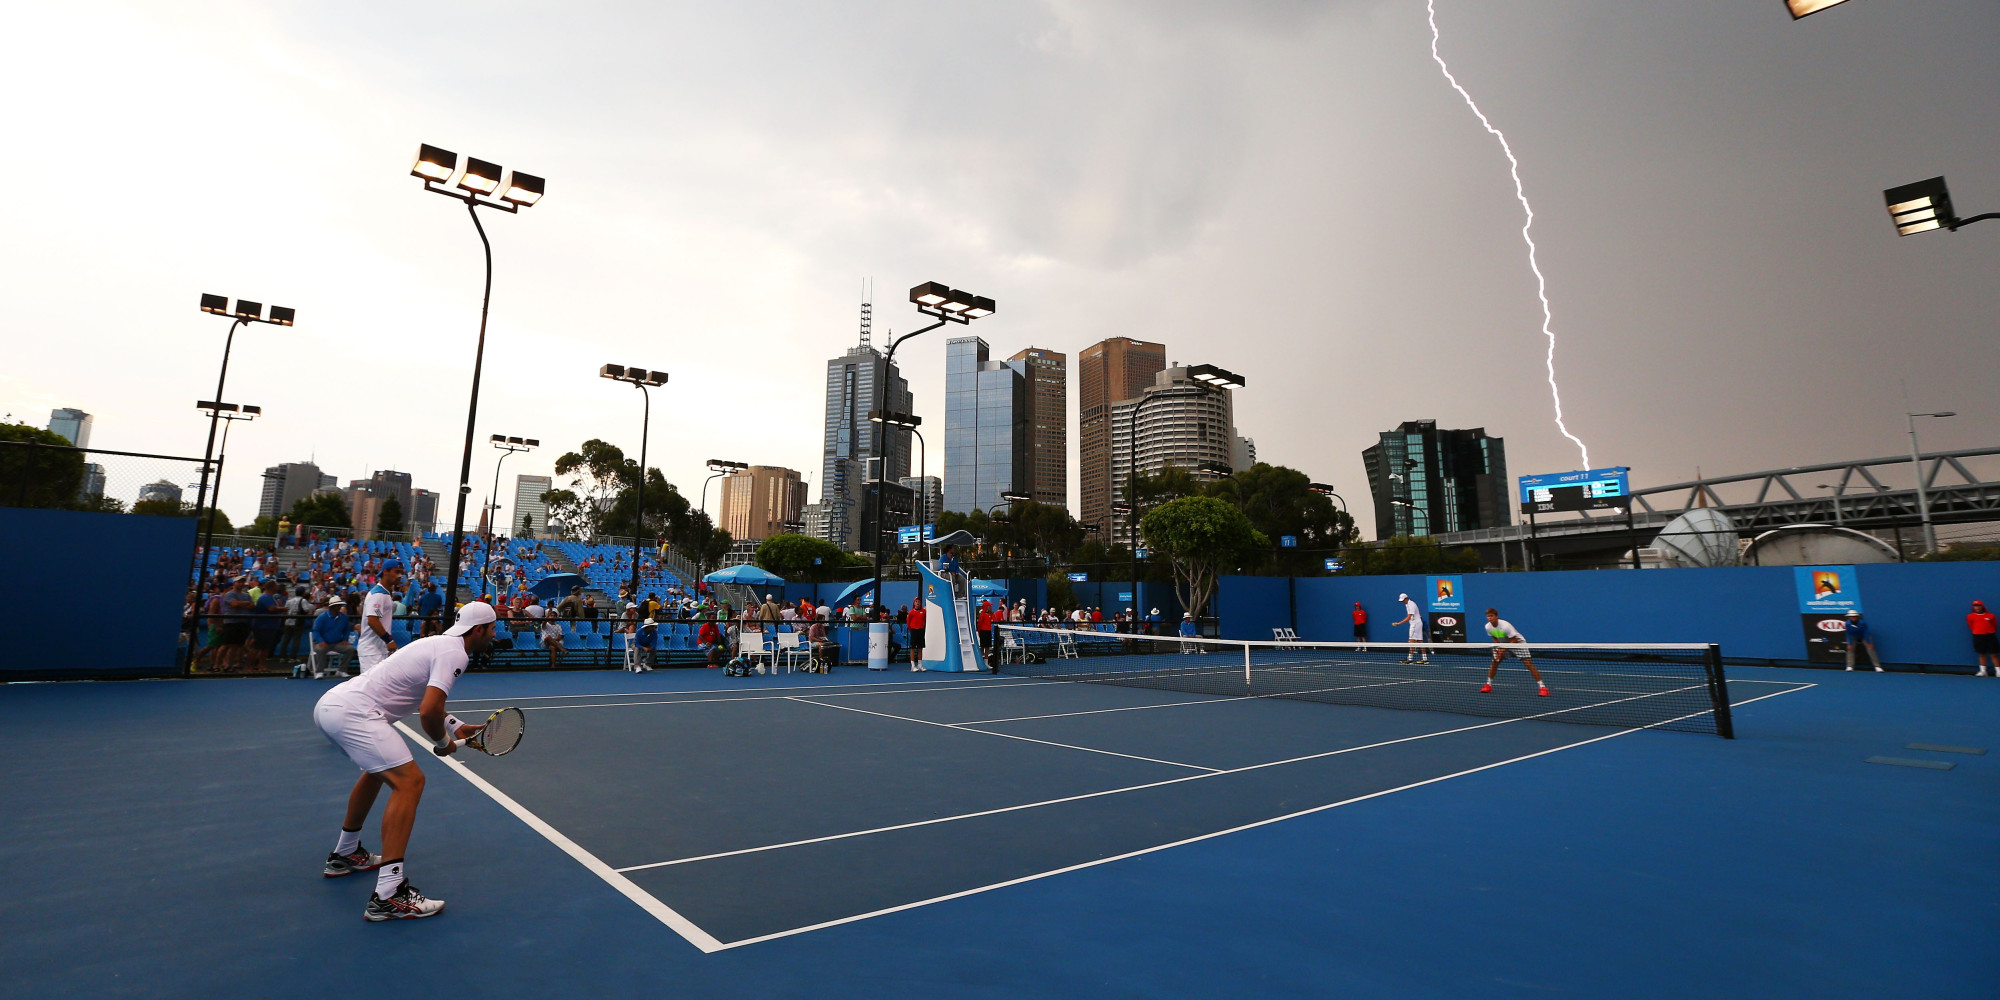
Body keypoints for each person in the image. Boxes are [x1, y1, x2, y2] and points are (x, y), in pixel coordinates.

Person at [311, 601, 498, 921]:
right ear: (478, 630)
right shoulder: (456, 654)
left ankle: (346, 854)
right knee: (410, 781)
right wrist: (443, 743)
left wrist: (455, 726)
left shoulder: (436, 643)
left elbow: (419, 697)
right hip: (356, 714)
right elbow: (428, 712)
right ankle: (388, 894)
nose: (495, 635)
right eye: (492, 629)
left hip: (332, 706)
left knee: (377, 773)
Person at [1480, 608, 1548, 696]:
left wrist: (1503, 650)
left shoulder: (1505, 626)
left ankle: (1543, 687)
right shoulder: (1488, 626)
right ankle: (1488, 685)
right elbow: (1495, 637)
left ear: (1496, 616)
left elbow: (1514, 640)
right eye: (1488, 616)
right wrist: (1499, 648)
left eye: (1491, 616)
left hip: (1517, 644)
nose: (1489, 618)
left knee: (1528, 663)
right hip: (1503, 644)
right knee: (1494, 662)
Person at [356, 560, 405, 673]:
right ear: (385, 572)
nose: (400, 575)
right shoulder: (377, 594)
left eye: (401, 572)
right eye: (397, 571)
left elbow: (377, 618)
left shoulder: (385, 594)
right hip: (371, 650)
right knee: (371, 688)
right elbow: (373, 621)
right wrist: (389, 641)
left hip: (379, 649)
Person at [1393, 592, 1428, 664]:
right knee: (1420, 641)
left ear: (1406, 598)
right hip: (1417, 623)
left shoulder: (1411, 604)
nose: (1402, 602)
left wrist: (1399, 623)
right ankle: (1425, 659)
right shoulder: (1407, 604)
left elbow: (1409, 617)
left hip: (1415, 624)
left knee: (1411, 641)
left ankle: (1410, 659)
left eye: (1403, 600)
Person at [1971, 600, 2000, 677]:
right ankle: (1983, 671)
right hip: (1978, 636)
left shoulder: (1991, 616)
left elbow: (1994, 625)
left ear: (1982, 606)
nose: (1977, 607)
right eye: (1975, 606)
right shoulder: (1970, 616)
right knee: (1981, 654)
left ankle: (1998, 671)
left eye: (1978, 605)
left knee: (1994, 654)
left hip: (1990, 636)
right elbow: (1971, 626)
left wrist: (1989, 631)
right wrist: (1978, 632)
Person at [906, 598, 928, 671]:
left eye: (919, 602)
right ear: (914, 603)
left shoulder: (924, 611)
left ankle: (920, 665)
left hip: (921, 631)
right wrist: (912, 629)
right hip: (914, 631)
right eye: (916, 602)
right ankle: (913, 666)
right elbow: (908, 623)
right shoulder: (911, 613)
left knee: (920, 648)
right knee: (912, 648)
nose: (918, 603)